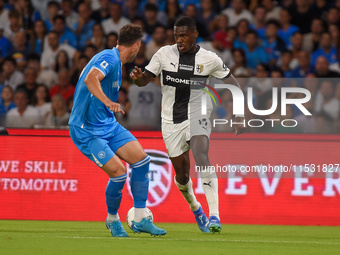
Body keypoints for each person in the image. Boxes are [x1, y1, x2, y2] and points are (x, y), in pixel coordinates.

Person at [130, 16, 246, 234]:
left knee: (201, 154)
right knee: (182, 175)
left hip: (197, 112)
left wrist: (239, 113)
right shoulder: (164, 54)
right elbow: (144, 79)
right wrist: (137, 78)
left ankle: (215, 215)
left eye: (183, 35)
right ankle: (196, 207)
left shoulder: (209, 59)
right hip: (170, 120)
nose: (179, 39)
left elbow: (234, 84)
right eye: (176, 35)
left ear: (194, 34)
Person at [68, 24, 166, 237]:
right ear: (136, 45)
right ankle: (112, 220)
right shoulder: (110, 59)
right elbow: (90, 79)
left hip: (107, 124)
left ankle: (140, 219)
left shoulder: (117, 62)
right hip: (87, 129)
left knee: (142, 161)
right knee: (119, 173)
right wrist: (108, 101)